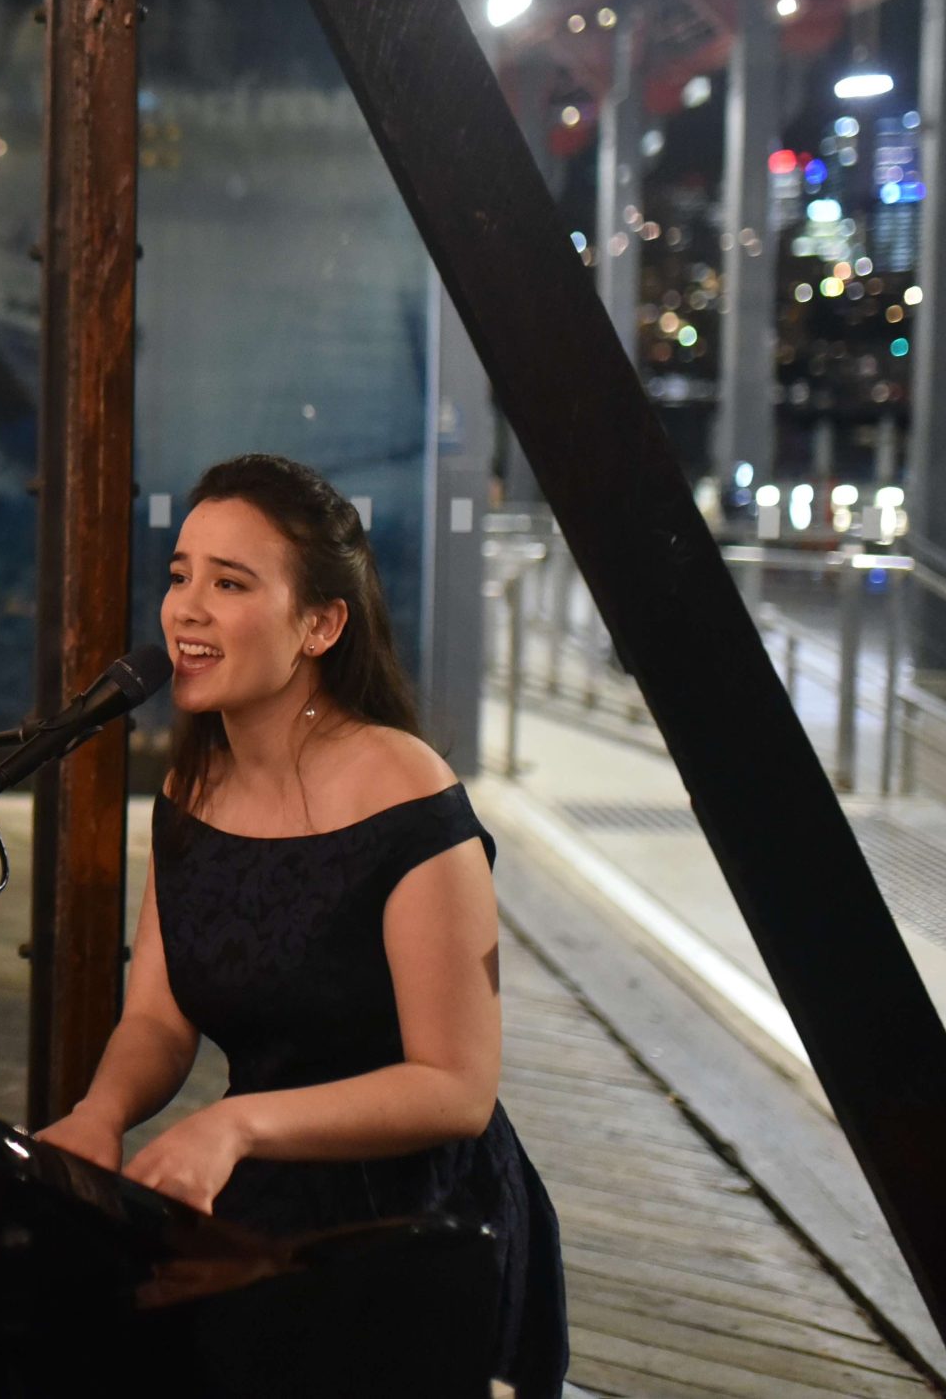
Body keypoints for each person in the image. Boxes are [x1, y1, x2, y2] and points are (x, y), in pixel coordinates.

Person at [34, 453, 568, 1396]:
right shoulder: (192, 786)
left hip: (421, 1227)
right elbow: (158, 1020)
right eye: (180, 575)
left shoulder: (406, 791)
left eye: (230, 583)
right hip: (268, 1192)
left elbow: (457, 1088)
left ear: (321, 624)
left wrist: (236, 1124)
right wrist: (101, 1113)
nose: (185, 609)